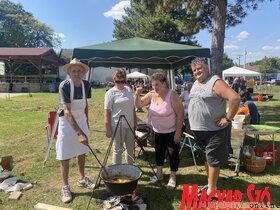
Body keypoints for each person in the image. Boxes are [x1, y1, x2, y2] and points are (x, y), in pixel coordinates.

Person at [188, 58, 240, 197]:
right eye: (194, 70)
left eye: (199, 68)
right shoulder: (196, 83)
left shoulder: (215, 82)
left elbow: (234, 98)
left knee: (212, 160)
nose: (197, 71)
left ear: (207, 68)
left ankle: (212, 190)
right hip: (199, 130)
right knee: (206, 159)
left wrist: (227, 119)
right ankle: (211, 184)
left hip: (214, 130)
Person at [134, 72, 184, 190]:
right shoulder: (152, 94)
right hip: (157, 131)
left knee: (172, 154)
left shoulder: (172, 95)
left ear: (164, 83)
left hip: (171, 131)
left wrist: (178, 132)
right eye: (153, 85)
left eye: (157, 85)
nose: (154, 88)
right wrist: (137, 94)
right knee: (159, 153)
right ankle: (159, 174)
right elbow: (139, 104)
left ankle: (172, 177)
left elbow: (181, 113)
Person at [56, 58, 95, 203]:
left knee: (82, 150)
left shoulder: (86, 84)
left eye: (79, 70)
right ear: (69, 72)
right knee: (64, 153)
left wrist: (87, 123)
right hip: (67, 122)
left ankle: (82, 178)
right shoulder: (64, 86)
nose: (77, 73)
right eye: (74, 70)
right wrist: (79, 133)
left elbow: (85, 105)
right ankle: (65, 186)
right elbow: (66, 111)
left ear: (83, 72)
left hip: (81, 119)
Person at [104, 68, 137, 165]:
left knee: (130, 149)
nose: (120, 83)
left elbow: (132, 107)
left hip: (130, 124)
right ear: (114, 80)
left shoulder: (128, 89)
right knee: (118, 149)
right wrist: (108, 128)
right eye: (118, 81)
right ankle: (117, 171)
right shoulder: (110, 93)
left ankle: (130, 169)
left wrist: (135, 121)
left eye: (123, 81)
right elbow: (107, 112)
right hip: (117, 125)